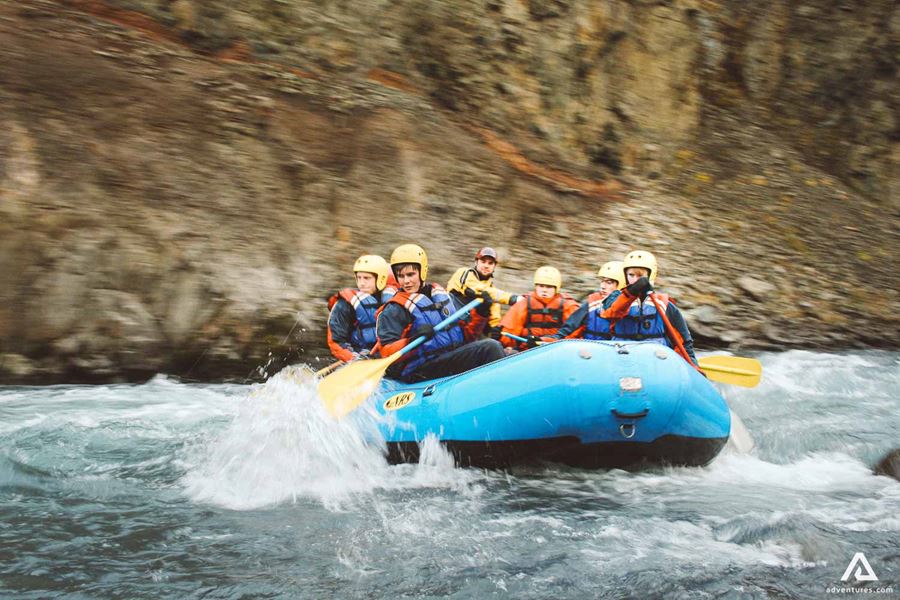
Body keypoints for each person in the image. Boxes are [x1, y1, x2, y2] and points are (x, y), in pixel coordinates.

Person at [376, 244, 506, 382]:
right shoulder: (395, 308)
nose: (406, 281)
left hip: (448, 358)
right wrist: (413, 341)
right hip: (420, 370)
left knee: (503, 350)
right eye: (401, 276)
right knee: (490, 348)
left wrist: (481, 313)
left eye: (411, 274)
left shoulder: (440, 294)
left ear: (422, 271)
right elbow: (386, 351)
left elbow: (466, 336)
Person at [601, 250, 699, 366]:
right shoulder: (615, 298)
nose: (635, 279)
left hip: (655, 364)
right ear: (625, 277)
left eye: (640, 276)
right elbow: (611, 312)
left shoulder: (664, 304)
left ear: (650, 276)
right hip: (622, 361)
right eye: (631, 275)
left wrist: (694, 368)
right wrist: (631, 292)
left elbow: (683, 342)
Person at [326, 255, 397, 362]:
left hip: (388, 356)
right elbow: (336, 342)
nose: (361, 283)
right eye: (359, 278)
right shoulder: (345, 304)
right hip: (359, 358)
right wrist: (355, 358)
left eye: (366, 278)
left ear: (381, 279)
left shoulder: (394, 298)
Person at [498, 266, 579, 351]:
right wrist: (500, 337)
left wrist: (545, 341)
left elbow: (575, 335)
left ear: (556, 289)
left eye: (549, 287)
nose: (544, 290)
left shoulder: (568, 306)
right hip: (526, 352)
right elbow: (509, 331)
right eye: (541, 286)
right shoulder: (523, 304)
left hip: (556, 351)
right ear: (536, 287)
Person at [446, 247, 519, 336]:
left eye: (490, 263)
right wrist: (511, 298)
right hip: (447, 318)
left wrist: (497, 330)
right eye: (483, 261)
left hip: (465, 331)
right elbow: (474, 288)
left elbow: (495, 320)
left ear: (494, 266)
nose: (486, 265)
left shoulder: (492, 292)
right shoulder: (464, 272)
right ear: (476, 262)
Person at [546, 260, 625, 341]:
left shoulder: (631, 307)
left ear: (621, 284)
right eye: (602, 281)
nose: (602, 286)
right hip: (591, 348)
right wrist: (553, 339)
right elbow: (569, 328)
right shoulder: (592, 303)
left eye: (609, 282)